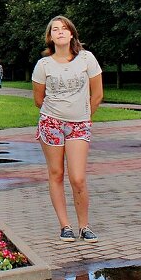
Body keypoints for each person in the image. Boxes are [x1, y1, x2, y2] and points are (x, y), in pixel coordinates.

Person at [32, 15, 103, 242]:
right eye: (55, 29)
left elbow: (98, 94)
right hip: (51, 124)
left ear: (72, 34)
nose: (60, 32)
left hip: (79, 125)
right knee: (56, 173)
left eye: (64, 29)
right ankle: (65, 226)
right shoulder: (43, 65)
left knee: (78, 177)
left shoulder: (86, 59)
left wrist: (84, 117)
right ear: (50, 37)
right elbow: (38, 99)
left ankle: (85, 226)